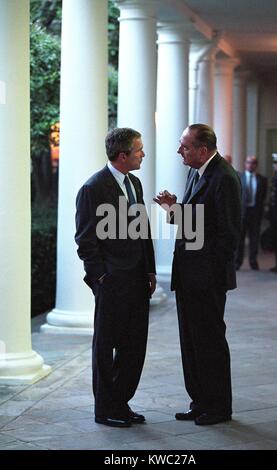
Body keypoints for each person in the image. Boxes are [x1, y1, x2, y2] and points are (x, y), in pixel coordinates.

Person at [154, 124, 242, 425]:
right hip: (189, 276)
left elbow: (227, 236)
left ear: (202, 150)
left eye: (185, 146)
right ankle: (200, 401)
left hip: (207, 280)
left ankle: (218, 408)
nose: (180, 151)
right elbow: (195, 223)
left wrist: (208, 277)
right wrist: (174, 208)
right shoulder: (196, 172)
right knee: (191, 343)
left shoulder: (225, 178)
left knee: (210, 344)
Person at [75, 127, 156, 428]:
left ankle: (121, 403)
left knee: (134, 345)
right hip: (111, 282)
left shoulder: (134, 182)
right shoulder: (93, 188)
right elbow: (85, 240)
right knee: (106, 347)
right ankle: (105, 409)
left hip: (137, 279)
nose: (143, 154)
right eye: (139, 150)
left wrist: (149, 269)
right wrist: (100, 279)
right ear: (123, 155)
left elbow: (142, 230)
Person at [236, 156, 268, 270]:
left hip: (255, 213)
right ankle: (237, 262)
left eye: (253, 163)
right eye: (249, 162)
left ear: (256, 165)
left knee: (254, 239)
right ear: (245, 164)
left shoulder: (262, 180)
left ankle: (253, 262)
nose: (251, 165)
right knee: (240, 239)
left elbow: (263, 196)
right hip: (242, 213)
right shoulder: (239, 177)